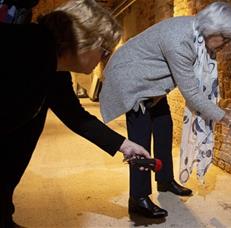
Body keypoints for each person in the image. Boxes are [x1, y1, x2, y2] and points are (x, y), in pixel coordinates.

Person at [0, 0, 151, 227]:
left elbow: (76, 117)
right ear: (87, 39)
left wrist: (124, 145)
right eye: (104, 50)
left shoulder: (54, 65)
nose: (104, 59)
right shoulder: (25, 47)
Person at [99, 2, 231, 218]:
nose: (226, 45)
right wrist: (230, 121)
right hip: (131, 80)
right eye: (225, 39)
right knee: (140, 140)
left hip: (152, 83)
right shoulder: (181, 41)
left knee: (163, 127)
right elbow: (193, 95)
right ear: (213, 31)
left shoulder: (198, 34)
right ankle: (138, 199)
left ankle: (165, 180)